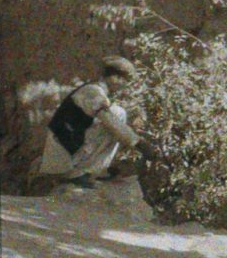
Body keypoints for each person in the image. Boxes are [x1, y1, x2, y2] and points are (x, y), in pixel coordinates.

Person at [36, 58, 148, 189]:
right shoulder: (92, 92)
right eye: (125, 80)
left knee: (116, 114)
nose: (125, 85)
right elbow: (112, 123)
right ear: (115, 78)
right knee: (118, 114)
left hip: (65, 150)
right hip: (62, 157)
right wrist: (139, 144)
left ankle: (91, 171)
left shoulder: (93, 90)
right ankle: (78, 174)